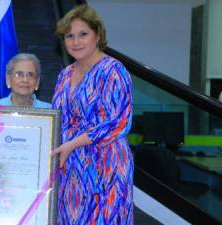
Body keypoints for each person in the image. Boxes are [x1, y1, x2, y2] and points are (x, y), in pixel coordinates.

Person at [52, 4, 134, 225]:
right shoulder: (64, 74)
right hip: (71, 168)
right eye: (70, 36)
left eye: (83, 34)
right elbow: (56, 118)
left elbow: (119, 123)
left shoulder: (113, 70)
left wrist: (72, 144)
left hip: (105, 167)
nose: (76, 42)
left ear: (97, 35)